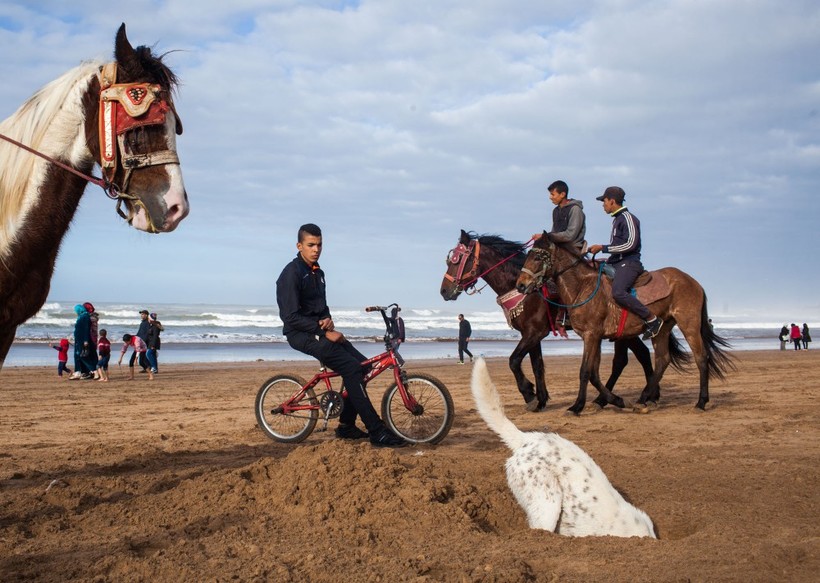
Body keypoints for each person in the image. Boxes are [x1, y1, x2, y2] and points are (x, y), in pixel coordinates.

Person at [276, 223, 406, 448]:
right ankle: (377, 431)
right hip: (300, 334)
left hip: (319, 331)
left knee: (363, 367)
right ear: (299, 246)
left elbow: (322, 307)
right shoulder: (291, 274)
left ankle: (346, 425)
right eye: (311, 245)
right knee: (351, 368)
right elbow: (290, 318)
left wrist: (328, 321)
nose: (316, 249)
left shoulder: (319, 273)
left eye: (319, 245)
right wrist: (322, 331)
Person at [588, 187, 662, 341]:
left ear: (612, 201)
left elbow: (631, 244)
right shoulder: (617, 219)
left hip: (629, 263)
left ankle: (652, 319)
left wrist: (603, 248)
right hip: (618, 263)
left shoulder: (628, 218)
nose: (603, 204)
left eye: (604, 201)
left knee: (618, 292)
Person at [532, 180, 586, 250]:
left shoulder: (575, 209)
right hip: (558, 248)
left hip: (573, 249)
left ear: (562, 194)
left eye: (553, 194)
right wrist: (543, 238)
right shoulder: (555, 211)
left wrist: (546, 236)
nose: (550, 197)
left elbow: (570, 235)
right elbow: (554, 233)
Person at [69, 304, 98, 379]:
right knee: (77, 356)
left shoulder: (85, 316)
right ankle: (79, 372)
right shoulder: (81, 316)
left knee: (82, 356)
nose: (76, 312)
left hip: (82, 340)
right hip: (78, 339)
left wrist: (85, 340)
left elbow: (86, 329)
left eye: (76, 310)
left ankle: (94, 371)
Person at [83, 302, 100, 379]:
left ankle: (93, 372)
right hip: (94, 338)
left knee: (89, 355)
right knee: (92, 355)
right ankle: (93, 371)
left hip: (91, 338)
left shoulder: (90, 318)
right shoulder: (94, 317)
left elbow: (88, 329)